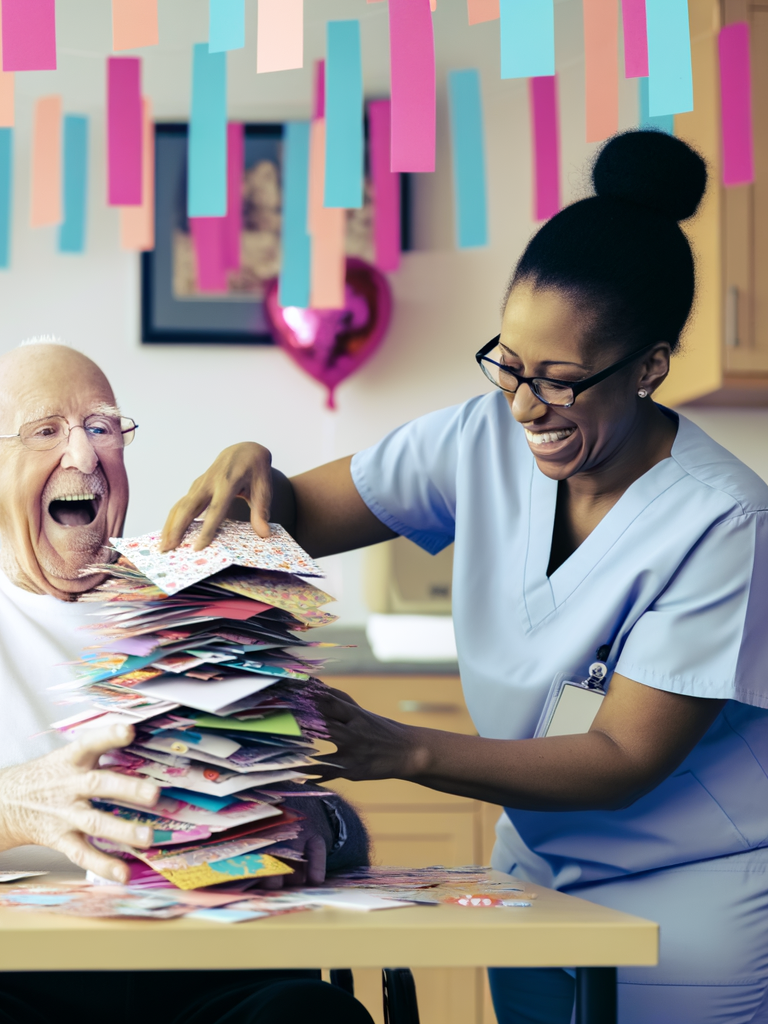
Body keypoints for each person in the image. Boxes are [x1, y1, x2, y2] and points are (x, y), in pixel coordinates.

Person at [161, 130, 768, 1024]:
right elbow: (296, 514)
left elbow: (623, 757)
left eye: (560, 381)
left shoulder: (726, 520)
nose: (524, 406)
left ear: (647, 369)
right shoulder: (479, 438)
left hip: (684, 892)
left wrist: (402, 749)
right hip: (530, 872)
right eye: (510, 366)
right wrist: (257, 465)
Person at [0, 340, 370, 1024]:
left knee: (309, 1016)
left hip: (200, 972)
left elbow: (332, 823)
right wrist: (18, 804)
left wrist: (318, 822)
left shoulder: (209, 600)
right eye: (45, 431)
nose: (84, 456)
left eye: (102, 428)